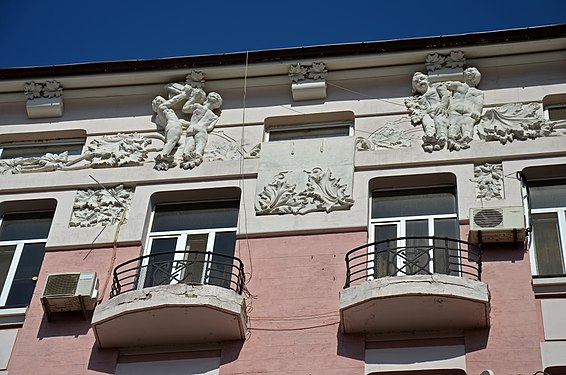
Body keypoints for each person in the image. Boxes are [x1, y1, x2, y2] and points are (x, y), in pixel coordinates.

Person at [407, 72, 450, 152]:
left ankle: (441, 136)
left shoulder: (436, 87)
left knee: (439, 122)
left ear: (427, 80)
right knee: (427, 124)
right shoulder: (419, 98)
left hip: (438, 110)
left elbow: (446, 95)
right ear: (415, 88)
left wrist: (443, 105)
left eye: (422, 79)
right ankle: (430, 137)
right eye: (417, 82)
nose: (420, 82)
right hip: (426, 113)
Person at [445, 67, 484, 150]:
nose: (470, 74)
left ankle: (465, 140)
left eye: (472, 73)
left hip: (469, 113)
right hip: (455, 111)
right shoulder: (458, 85)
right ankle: (452, 138)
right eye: (468, 72)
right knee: (453, 125)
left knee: (467, 127)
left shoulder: (478, 92)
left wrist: (477, 111)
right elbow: (445, 86)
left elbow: (478, 103)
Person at [180, 92, 223, 169]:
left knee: (189, 142)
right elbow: (209, 128)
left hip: (191, 127)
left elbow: (184, 108)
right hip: (201, 129)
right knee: (200, 143)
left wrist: (193, 98)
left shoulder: (197, 106)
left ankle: (186, 155)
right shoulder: (214, 116)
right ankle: (198, 156)